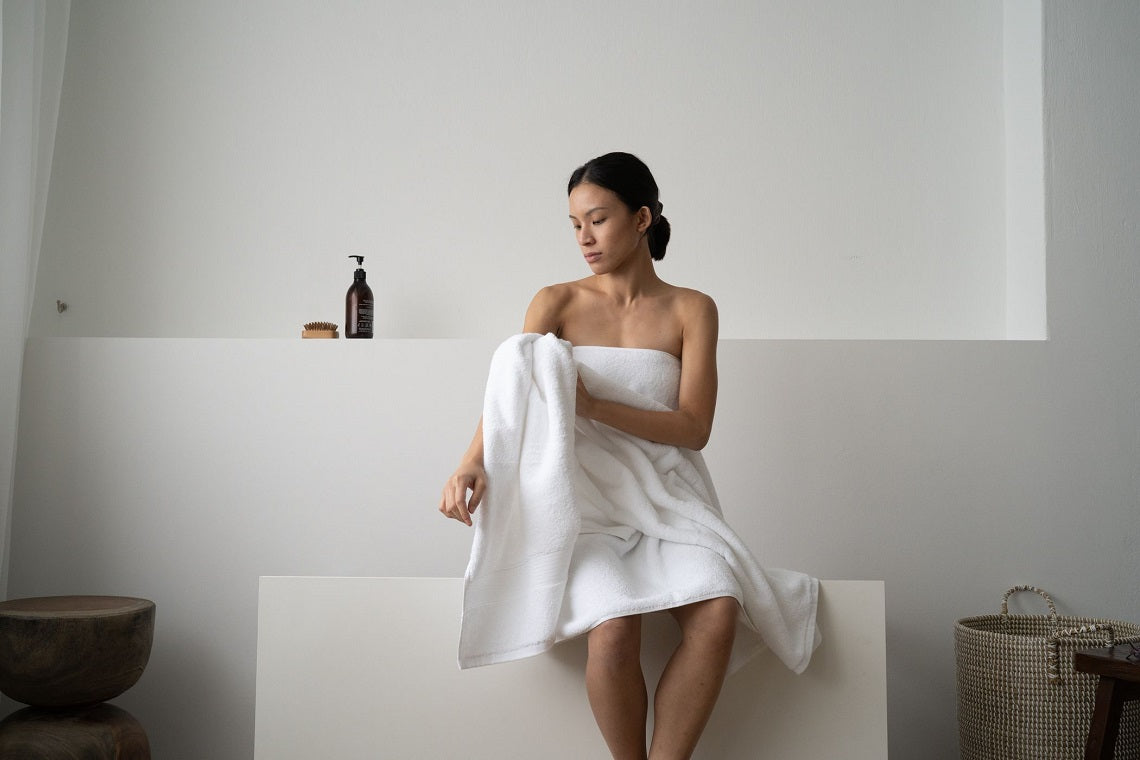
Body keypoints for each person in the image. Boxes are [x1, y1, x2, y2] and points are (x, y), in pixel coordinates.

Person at [439, 152, 740, 760]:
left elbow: (693, 427)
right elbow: (510, 398)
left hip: (670, 500)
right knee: (613, 630)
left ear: (642, 218)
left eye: (598, 220)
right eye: (575, 223)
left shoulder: (692, 309)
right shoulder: (555, 303)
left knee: (719, 611)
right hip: (587, 505)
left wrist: (595, 406)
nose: (584, 238)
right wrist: (471, 459)